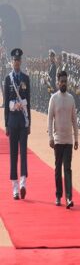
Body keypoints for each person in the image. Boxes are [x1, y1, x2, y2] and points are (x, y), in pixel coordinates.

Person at [47, 70, 79, 208]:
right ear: (57, 82)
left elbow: (74, 120)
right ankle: (58, 195)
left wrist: (76, 138)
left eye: (65, 81)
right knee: (57, 168)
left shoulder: (71, 99)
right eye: (61, 81)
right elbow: (49, 119)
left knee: (68, 168)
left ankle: (69, 198)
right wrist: (50, 137)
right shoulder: (54, 98)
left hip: (68, 140)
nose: (63, 83)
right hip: (58, 139)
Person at [4, 48, 31, 200]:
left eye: (18, 60)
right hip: (13, 121)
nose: (17, 62)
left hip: (23, 120)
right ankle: (14, 187)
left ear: (21, 62)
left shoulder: (26, 78)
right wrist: (6, 123)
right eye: (14, 60)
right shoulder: (8, 79)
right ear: (12, 62)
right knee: (13, 154)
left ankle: (23, 183)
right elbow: (6, 101)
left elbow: (29, 100)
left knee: (23, 154)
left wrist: (30, 123)